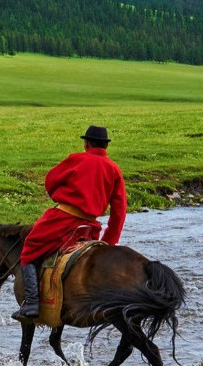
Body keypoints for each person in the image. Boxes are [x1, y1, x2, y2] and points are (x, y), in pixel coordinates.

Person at [13, 124, 127, 321]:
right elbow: (119, 210)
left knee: (29, 249)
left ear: (87, 143)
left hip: (62, 219)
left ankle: (31, 304)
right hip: (89, 227)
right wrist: (109, 241)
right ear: (105, 146)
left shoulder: (77, 159)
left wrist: (58, 196)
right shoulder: (114, 169)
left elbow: (50, 180)